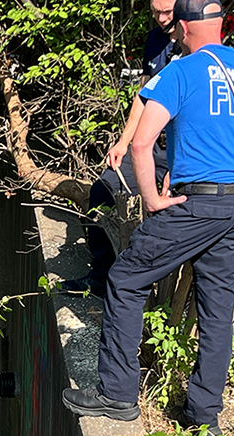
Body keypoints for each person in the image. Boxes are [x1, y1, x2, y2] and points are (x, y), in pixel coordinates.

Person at [62, 0, 234, 436]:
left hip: (197, 207)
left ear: (187, 26)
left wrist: (152, 199)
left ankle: (116, 394)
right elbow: (222, 138)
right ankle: (203, 416)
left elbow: (141, 144)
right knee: (215, 310)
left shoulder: (182, 69)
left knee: (127, 278)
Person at [63, 0, 181, 297]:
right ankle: (101, 277)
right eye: (156, 11)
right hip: (148, 141)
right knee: (104, 190)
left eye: (168, 12)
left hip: (182, 145)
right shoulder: (155, 40)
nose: (162, 18)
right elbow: (143, 95)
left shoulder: (193, 41)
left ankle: (162, 296)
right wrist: (124, 141)